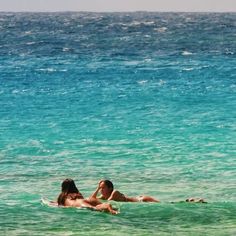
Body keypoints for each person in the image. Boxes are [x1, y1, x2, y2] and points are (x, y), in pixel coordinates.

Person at [91, 179, 160, 202]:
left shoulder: (115, 192)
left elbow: (108, 202)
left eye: (103, 188)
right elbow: (92, 199)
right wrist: (97, 188)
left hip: (142, 200)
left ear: (110, 188)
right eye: (100, 188)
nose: (101, 190)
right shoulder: (103, 196)